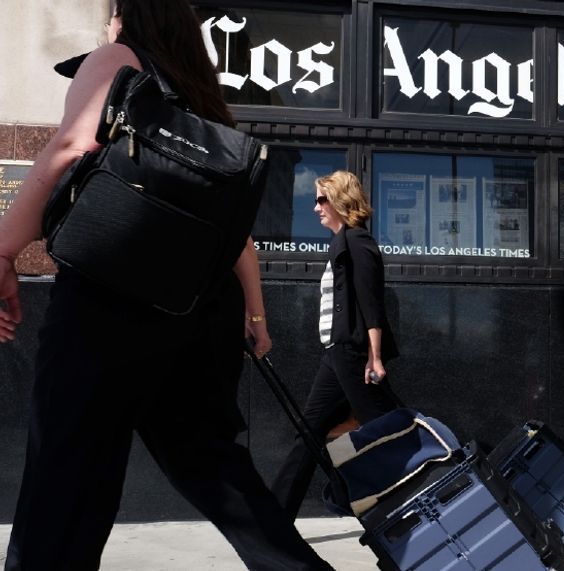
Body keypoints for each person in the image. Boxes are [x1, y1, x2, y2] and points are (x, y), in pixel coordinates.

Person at [0, 2, 334, 569]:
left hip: (109, 300)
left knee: (68, 473)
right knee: (215, 469)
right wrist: (256, 318)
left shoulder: (118, 60)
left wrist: (4, 249)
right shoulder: (205, 100)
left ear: (126, 17)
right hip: (200, 313)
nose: (106, 26)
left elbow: (70, 147)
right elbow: (238, 238)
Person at [271, 170, 401, 520]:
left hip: (354, 354)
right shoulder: (341, 243)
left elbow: (372, 305)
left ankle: (417, 495)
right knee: (309, 431)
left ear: (341, 200)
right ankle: (275, 516)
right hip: (336, 354)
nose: (315, 207)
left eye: (321, 199)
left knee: (387, 431)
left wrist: (374, 357)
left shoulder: (357, 242)